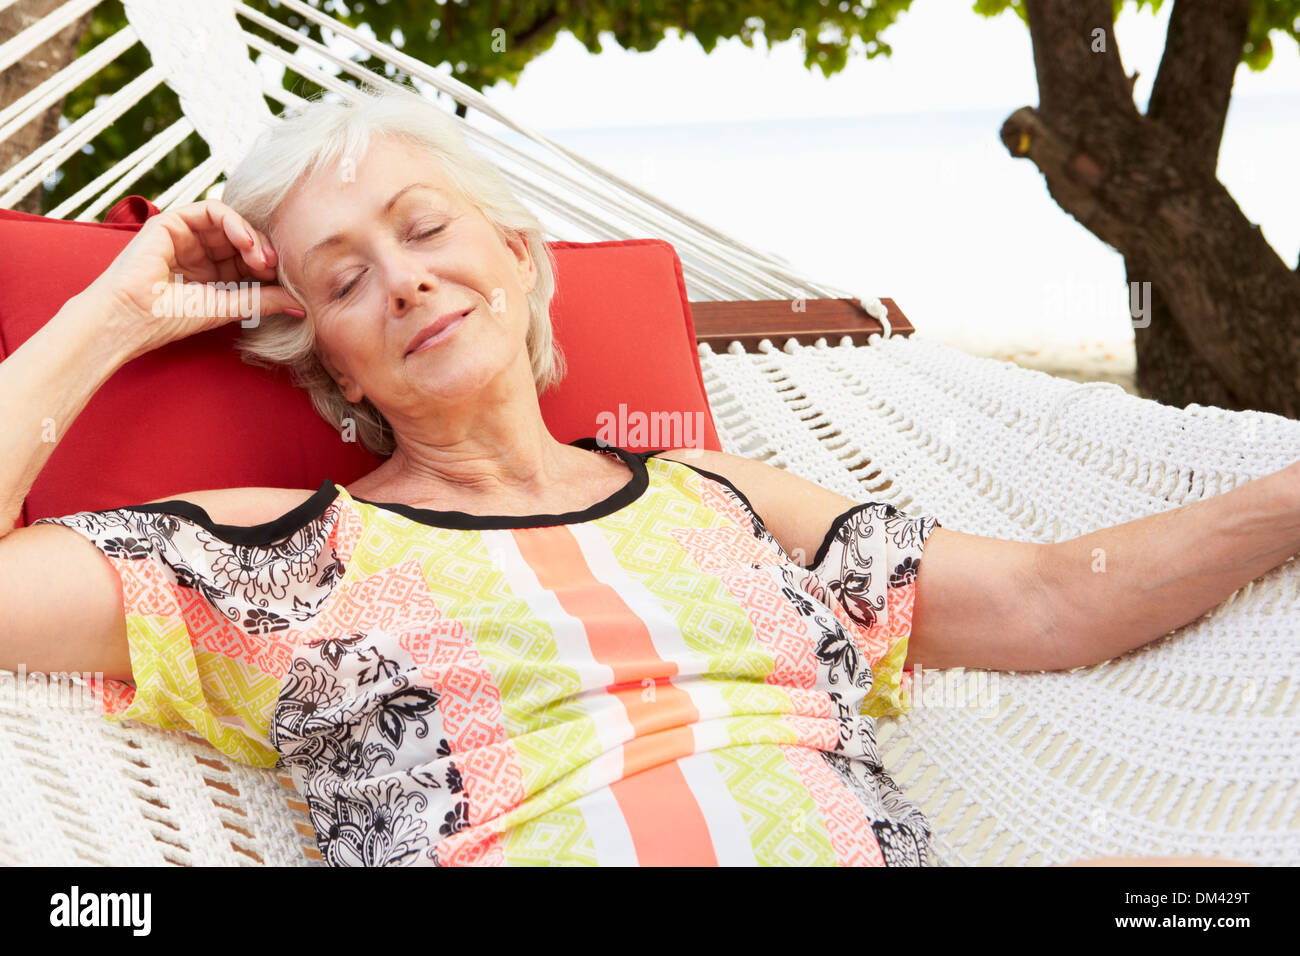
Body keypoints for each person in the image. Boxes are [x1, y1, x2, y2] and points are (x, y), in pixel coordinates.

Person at [0, 87, 1293, 867]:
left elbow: (1056, 601)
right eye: (342, 279)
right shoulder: (271, 559)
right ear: (326, 358)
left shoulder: (719, 500)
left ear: (518, 254)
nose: (404, 279)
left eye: (428, 228)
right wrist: (119, 312)